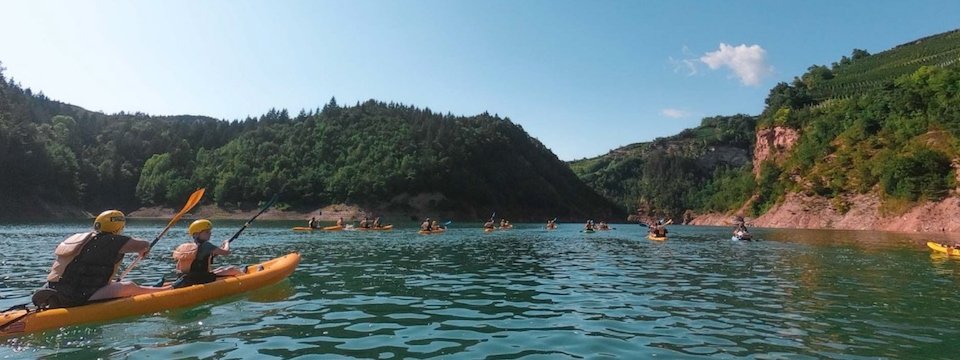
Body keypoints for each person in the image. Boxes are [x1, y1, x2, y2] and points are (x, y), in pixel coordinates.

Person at [32, 210, 170, 309]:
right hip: (76, 297)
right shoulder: (111, 240)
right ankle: (167, 292)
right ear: (119, 226)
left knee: (117, 284)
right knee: (130, 287)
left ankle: (154, 288)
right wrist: (143, 250)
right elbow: (144, 245)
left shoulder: (81, 238)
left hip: (53, 293)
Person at [171, 219, 244, 289]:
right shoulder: (207, 245)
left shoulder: (189, 247)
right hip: (201, 279)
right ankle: (247, 278)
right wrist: (226, 243)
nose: (210, 233)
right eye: (206, 232)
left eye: (209, 231)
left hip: (189, 278)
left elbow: (200, 259)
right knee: (232, 269)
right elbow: (226, 252)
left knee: (221, 269)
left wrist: (215, 252)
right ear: (196, 234)